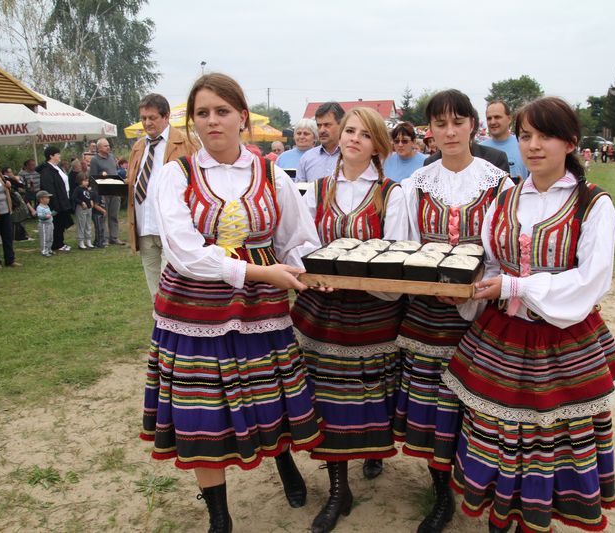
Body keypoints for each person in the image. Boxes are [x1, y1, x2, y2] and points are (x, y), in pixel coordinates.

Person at [140, 73, 324, 533]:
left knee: (270, 396)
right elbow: (184, 253)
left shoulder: (272, 174)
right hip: (194, 311)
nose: (212, 121)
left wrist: (310, 270)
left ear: (242, 117)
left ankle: (283, 462)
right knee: (201, 412)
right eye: (202, 113)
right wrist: (261, 272)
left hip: (262, 311)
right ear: (192, 121)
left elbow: (297, 240)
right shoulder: (175, 174)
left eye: (222, 111)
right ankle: (219, 516)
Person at [442, 96, 615, 533]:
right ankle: (499, 518)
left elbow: (592, 280)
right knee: (498, 434)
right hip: (502, 336)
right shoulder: (506, 199)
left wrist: (516, 286)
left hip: (562, 341)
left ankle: (537, 518)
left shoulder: (593, 204)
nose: (533, 145)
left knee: (552, 440)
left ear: (571, 142)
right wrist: (467, 290)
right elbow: (491, 262)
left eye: (546, 136)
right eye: (526, 136)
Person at [396, 89, 512, 533]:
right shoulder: (416, 185)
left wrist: (471, 292)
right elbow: (405, 247)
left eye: (457, 122)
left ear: (472, 126)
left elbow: (503, 253)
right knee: (435, 409)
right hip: (428, 316)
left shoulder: (499, 185)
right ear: (429, 131)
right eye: (440, 124)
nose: (449, 131)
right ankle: (442, 495)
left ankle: (487, 493)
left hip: (482, 315)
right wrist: (428, 284)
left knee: (483, 410)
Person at [290, 107, 409, 533]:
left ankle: (373, 451)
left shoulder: (391, 194)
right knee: (327, 399)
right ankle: (339, 488)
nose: (354, 138)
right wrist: (312, 272)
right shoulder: (319, 189)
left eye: (365, 134)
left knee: (371, 393)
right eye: (350, 131)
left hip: (373, 311)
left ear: (378, 146)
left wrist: (362, 279)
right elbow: (301, 241)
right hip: (323, 311)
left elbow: (397, 255)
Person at [127, 93, 196, 299]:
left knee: (171, 284)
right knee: (153, 285)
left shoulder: (186, 143)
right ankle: (158, 317)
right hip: (144, 226)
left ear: (166, 116)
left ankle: (173, 316)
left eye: (152, 117)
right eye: (143, 118)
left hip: (171, 227)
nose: (147, 123)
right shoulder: (138, 147)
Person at [481, 101, 528, 183]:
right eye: (489, 118)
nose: (492, 122)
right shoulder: (479, 150)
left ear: (509, 119)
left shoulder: (524, 144)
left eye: (497, 117)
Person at [296, 102, 344, 182]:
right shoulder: (307, 158)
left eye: (327, 125)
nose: (321, 130)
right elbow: (300, 188)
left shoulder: (352, 156)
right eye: (319, 125)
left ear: (341, 125)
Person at [38, 146, 73, 252]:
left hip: (63, 199)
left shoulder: (57, 167)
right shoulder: (46, 170)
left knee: (61, 223)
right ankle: (56, 244)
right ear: (51, 156)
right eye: (57, 154)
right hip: (56, 202)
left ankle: (60, 242)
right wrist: (55, 204)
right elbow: (49, 188)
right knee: (56, 223)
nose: (59, 156)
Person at [90, 138, 123, 245]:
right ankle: (103, 238)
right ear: (99, 148)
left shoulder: (112, 157)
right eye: (105, 146)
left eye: (108, 145)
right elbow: (92, 177)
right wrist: (98, 194)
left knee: (114, 215)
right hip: (103, 192)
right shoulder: (95, 160)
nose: (108, 147)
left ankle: (114, 237)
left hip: (115, 190)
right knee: (103, 215)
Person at [72, 173, 94, 249]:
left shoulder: (86, 189)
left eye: (87, 181)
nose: (87, 182)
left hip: (89, 209)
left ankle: (88, 240)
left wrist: (91, 200)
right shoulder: (77, 189)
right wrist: (81, 202)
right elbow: (74, 198)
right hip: (81, 209)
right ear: (80, 181)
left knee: (88, 224)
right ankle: (81, 242)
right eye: (85, 181)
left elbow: (88, 197)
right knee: (81, 225)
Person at [36, 190, 55, 256]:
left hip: (50, 224)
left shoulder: (47, 206)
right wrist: (46, 216)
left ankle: (49, 249)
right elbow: (40, 216)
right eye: (47, 197)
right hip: (44, 225)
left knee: (50, 237)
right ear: (41, 199)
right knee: (45, 238)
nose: (48, 199)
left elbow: (49, 214)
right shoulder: (39, 207)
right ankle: (44, 251)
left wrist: (52, 213)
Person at [90, 180, 107, 248]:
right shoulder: (96, 194)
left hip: (101, 214)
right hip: (96, 214)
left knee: (101, 228)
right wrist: (103, 211)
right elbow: (95, 205)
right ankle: (98, 243)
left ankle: (100, 241)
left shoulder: (102, 194)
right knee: (98, 229)